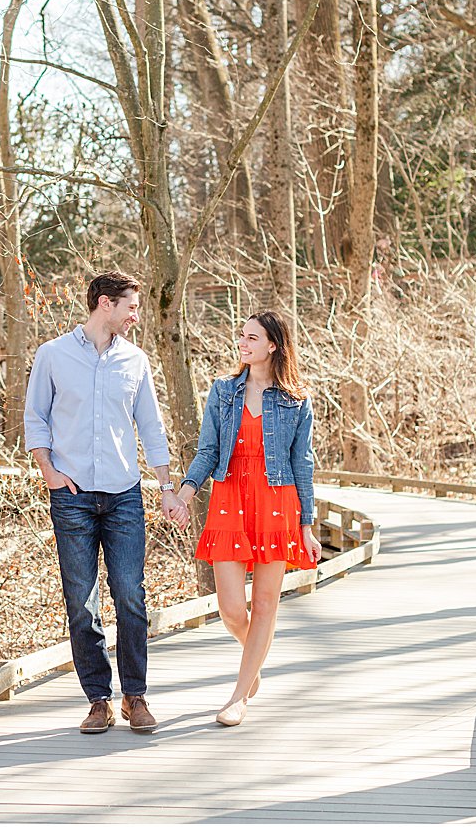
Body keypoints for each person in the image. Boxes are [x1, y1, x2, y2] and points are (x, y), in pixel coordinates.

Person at [24, 271, 179, 735]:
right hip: (70, 498)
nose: (136, 316)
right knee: (80, 602)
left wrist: (167, 485)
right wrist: (49, 472)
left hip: (124, 495)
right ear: (105, 304)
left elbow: (151, 427)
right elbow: (35, 418)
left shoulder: (136, 361)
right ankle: (98, 700)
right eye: (131, 307)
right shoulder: (53, 355)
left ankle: (135, 695)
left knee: (131, 595)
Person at [174, 310, 322, 727]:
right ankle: (253, 663)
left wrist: (306, 525)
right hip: (229, 497)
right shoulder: (223, 392)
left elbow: (302, 464)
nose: (243, 342)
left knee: (265, 604)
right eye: (241, 336)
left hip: (277, 501)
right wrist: (186, 494)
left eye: (252, 337)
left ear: (273, 345)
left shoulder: (296, 400)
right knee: (232, 609)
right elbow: (206, 450)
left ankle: (239, 696)